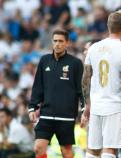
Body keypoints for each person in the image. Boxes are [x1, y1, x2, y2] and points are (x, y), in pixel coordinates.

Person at [81, 10, 121, 158]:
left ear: (108, 26)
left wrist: (87, 105)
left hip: (96, 105)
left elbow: (86, 78)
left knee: (93, 149)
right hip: (114, 106)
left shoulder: (93, 48)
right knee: (110, 149)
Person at [28, 29, 84, 158]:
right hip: (46, 114)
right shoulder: (44, 60)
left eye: (60, 41)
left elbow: (81, 88)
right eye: (55, 41)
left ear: (67, 43)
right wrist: (32, 107)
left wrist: (84, 107)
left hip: (66, 116)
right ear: (52, 42)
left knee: (66, 152)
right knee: (38, 148)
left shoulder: (75, 63)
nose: (57, 44)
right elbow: (38, 86)